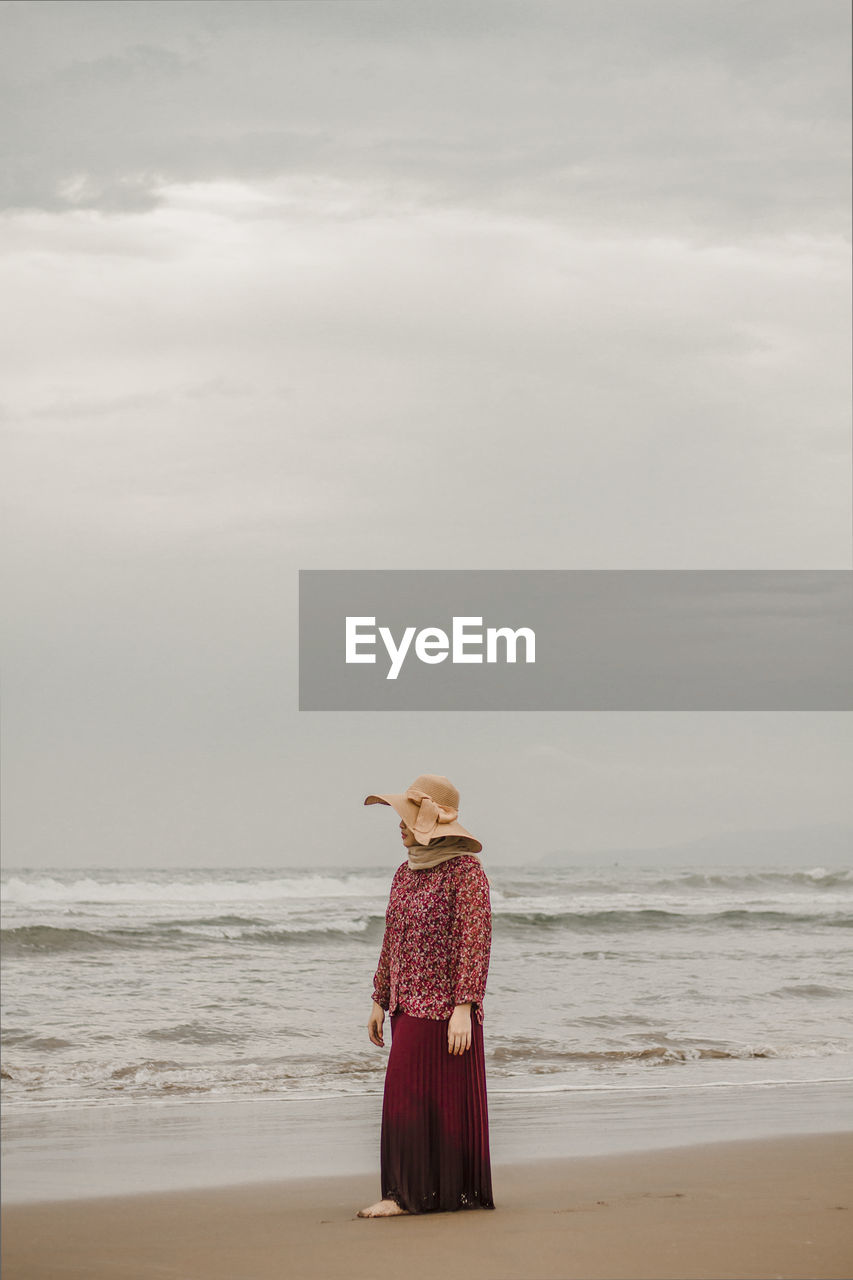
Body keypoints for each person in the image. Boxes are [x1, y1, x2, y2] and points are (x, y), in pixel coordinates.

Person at [357, 774, 496, 1218]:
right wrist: (379, 997)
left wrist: (464, 1007)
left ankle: (410, 1196)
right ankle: (420, 1192)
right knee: (407, 1097)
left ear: (432, 820)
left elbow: (475, 939)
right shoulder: (405, 872)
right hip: (404, 1005)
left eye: (407, 814)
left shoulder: (466, 872)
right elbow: (392, 936)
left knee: (418, 1098)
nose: (399, 823)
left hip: (445, 1009)